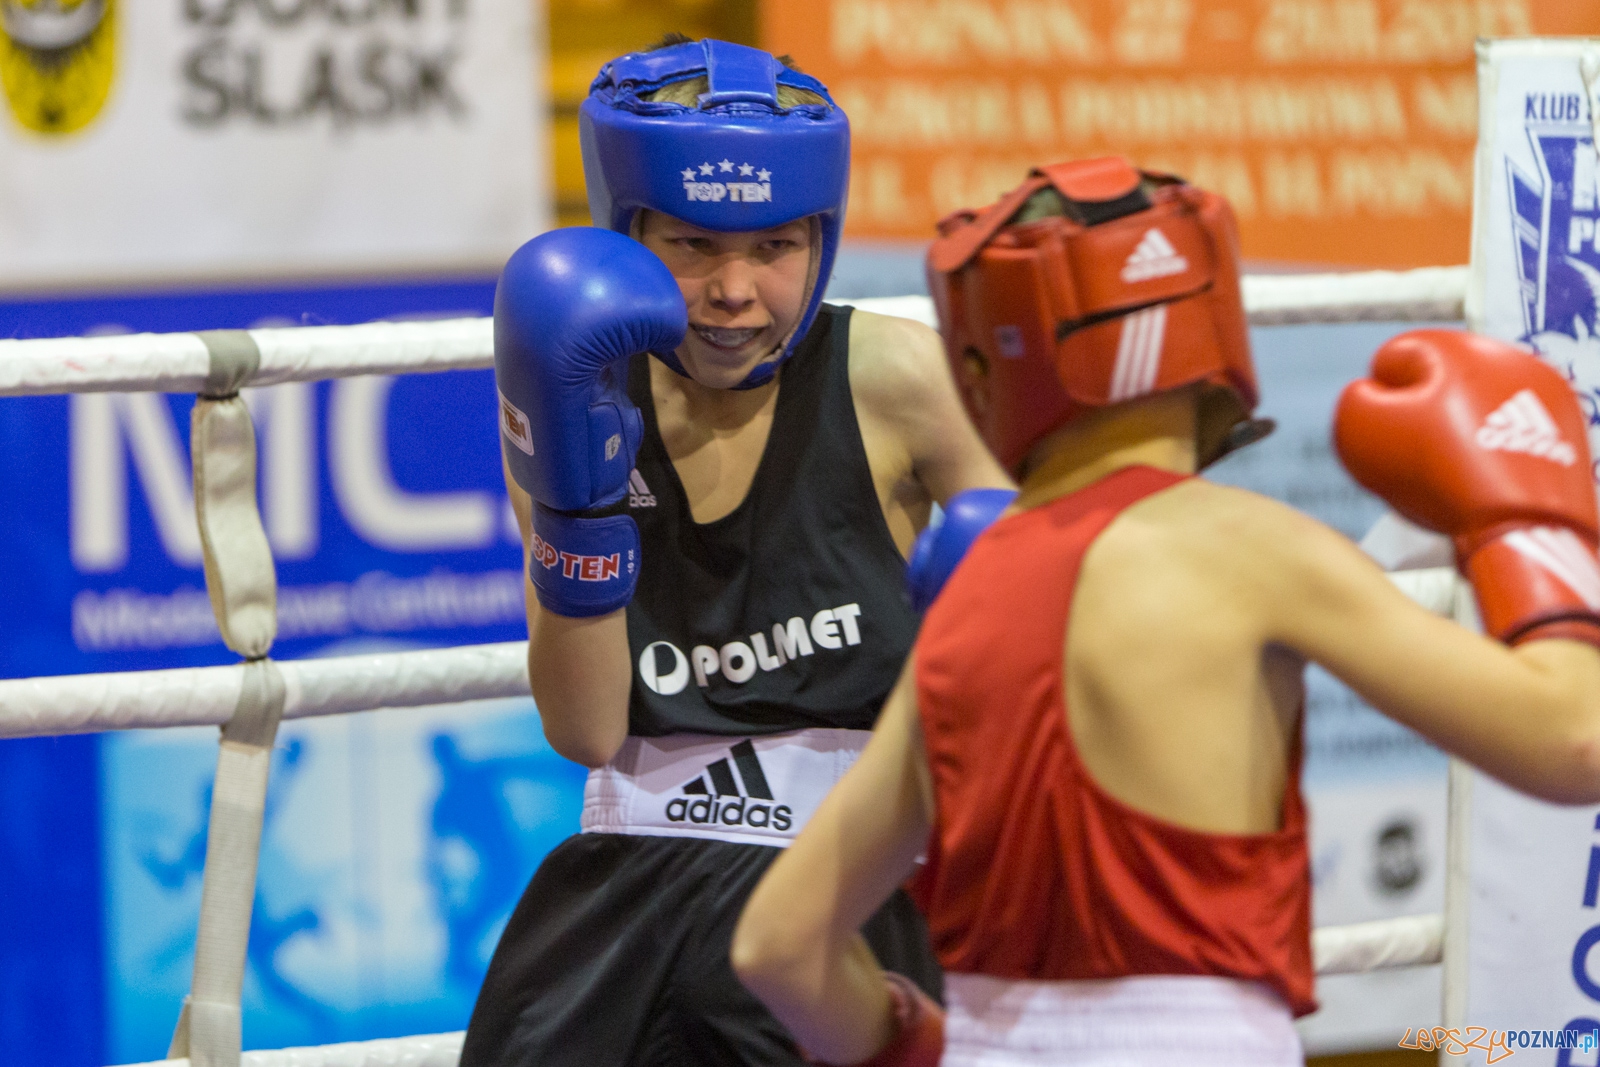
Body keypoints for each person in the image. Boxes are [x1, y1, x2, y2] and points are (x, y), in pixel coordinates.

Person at [731, 157, 1600, 1066]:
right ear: (1214, 320)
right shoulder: (1254, 550)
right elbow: (1574, 741)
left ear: (986, 363)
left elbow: (778, 948)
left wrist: (933, 1046)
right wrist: (1529, 525)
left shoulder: (960, 601)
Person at [462, 35, 1012, 1067]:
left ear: (824, 235)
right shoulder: (576, 393)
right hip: (631, 890)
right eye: (690, 243)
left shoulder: (898, 381)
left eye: (773, 246)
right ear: (624, 234)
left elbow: (1037, 634)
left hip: (850, 884)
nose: (732, 289)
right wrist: (581, 522)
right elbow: (583, 728)